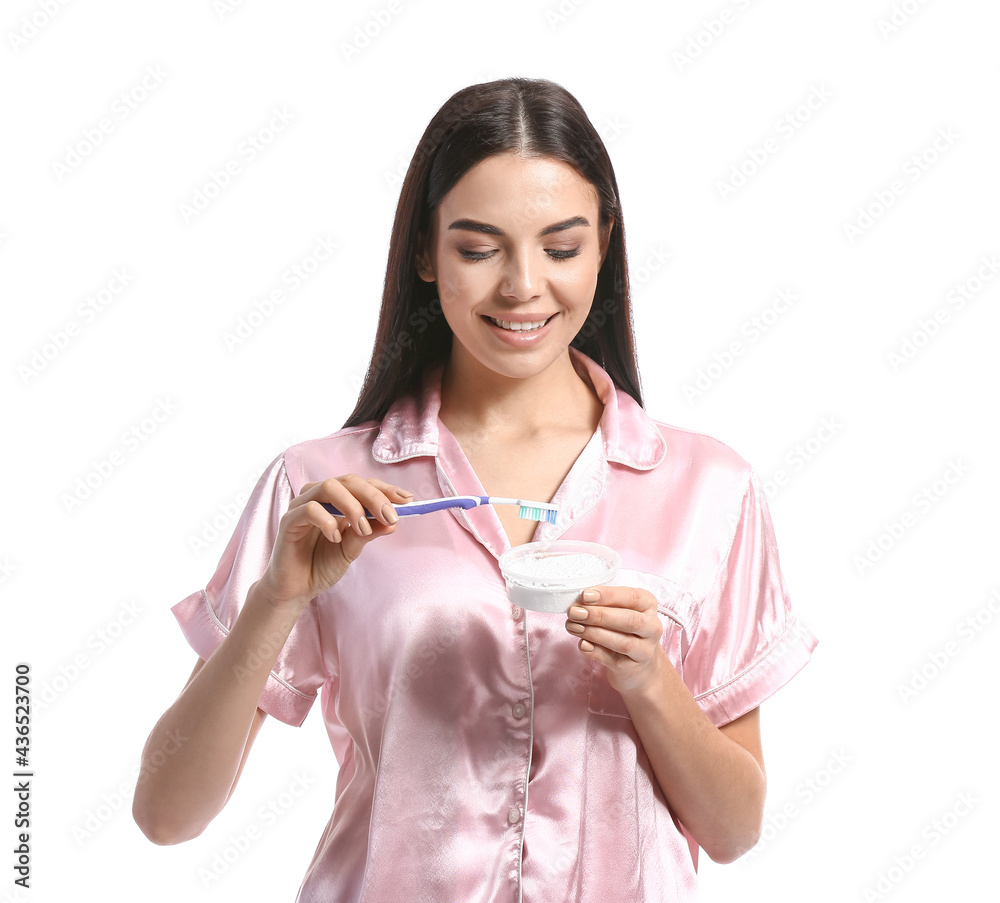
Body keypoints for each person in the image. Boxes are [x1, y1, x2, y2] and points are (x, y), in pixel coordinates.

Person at [133, 76, 817, 901]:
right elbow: (166, 814)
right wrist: (275, 598)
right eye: (478, 247)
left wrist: (651, 682)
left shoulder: (711, 488)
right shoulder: (319, 488)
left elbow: (735, 829)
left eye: (561, 247)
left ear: (604, 242)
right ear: (425, 251)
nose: (523, 286)